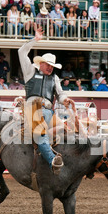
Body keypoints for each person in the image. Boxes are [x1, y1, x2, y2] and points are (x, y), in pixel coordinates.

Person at [18, 27, 75, 174]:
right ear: (41, 63)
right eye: (48, 65)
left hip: (49, 111)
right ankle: (53, 161)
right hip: (33, 108)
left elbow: (60, 94)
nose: (50, 68)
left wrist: (65, 100)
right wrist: (35, 40)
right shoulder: (30, 71)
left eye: (52, 66)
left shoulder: (54, 78)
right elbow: (21, 52)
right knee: (40, 133)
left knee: (69, 131)